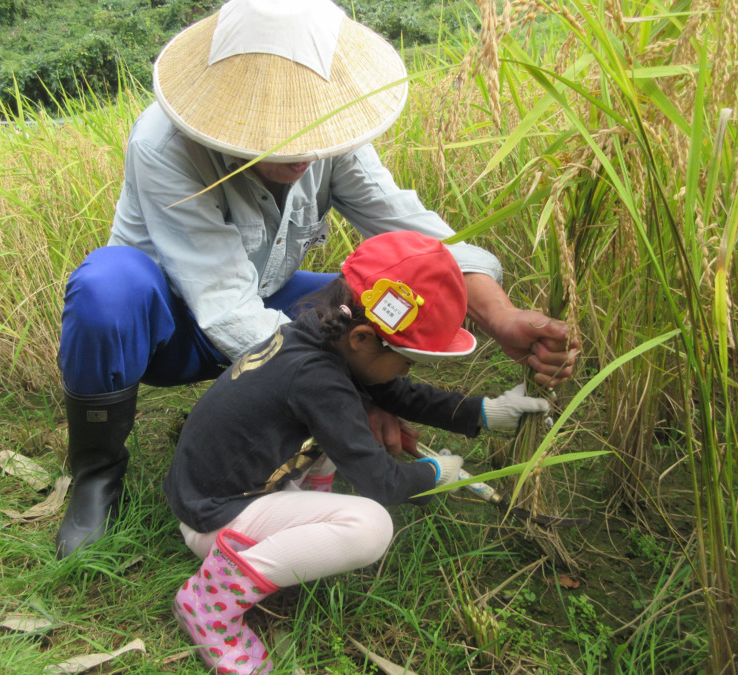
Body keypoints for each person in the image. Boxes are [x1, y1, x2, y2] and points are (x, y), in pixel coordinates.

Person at [54, 0, 579, 559]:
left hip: (268, 300)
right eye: (275, 136)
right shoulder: (164, 145)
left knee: (375, 300)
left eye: (309, 129)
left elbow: (422, 243)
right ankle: (97, 474)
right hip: (170, 324)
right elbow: (224, 303)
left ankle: (288, 424)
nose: (302, 152)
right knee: (107, 288)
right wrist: (344, 404)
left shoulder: (334, 140)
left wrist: (499, 316)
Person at [165, 230, 551, 673]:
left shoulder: (316, 338)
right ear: (363, 338)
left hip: (204, 490)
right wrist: (432, 473)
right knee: (371, 526)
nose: (406, 371)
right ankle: (209, 605)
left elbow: (393, 390)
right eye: (407, 359)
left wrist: (483, 412)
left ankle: (305, 516)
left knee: (349, 428)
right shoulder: (320, 381)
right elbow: (383, 484)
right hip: (213, 516)